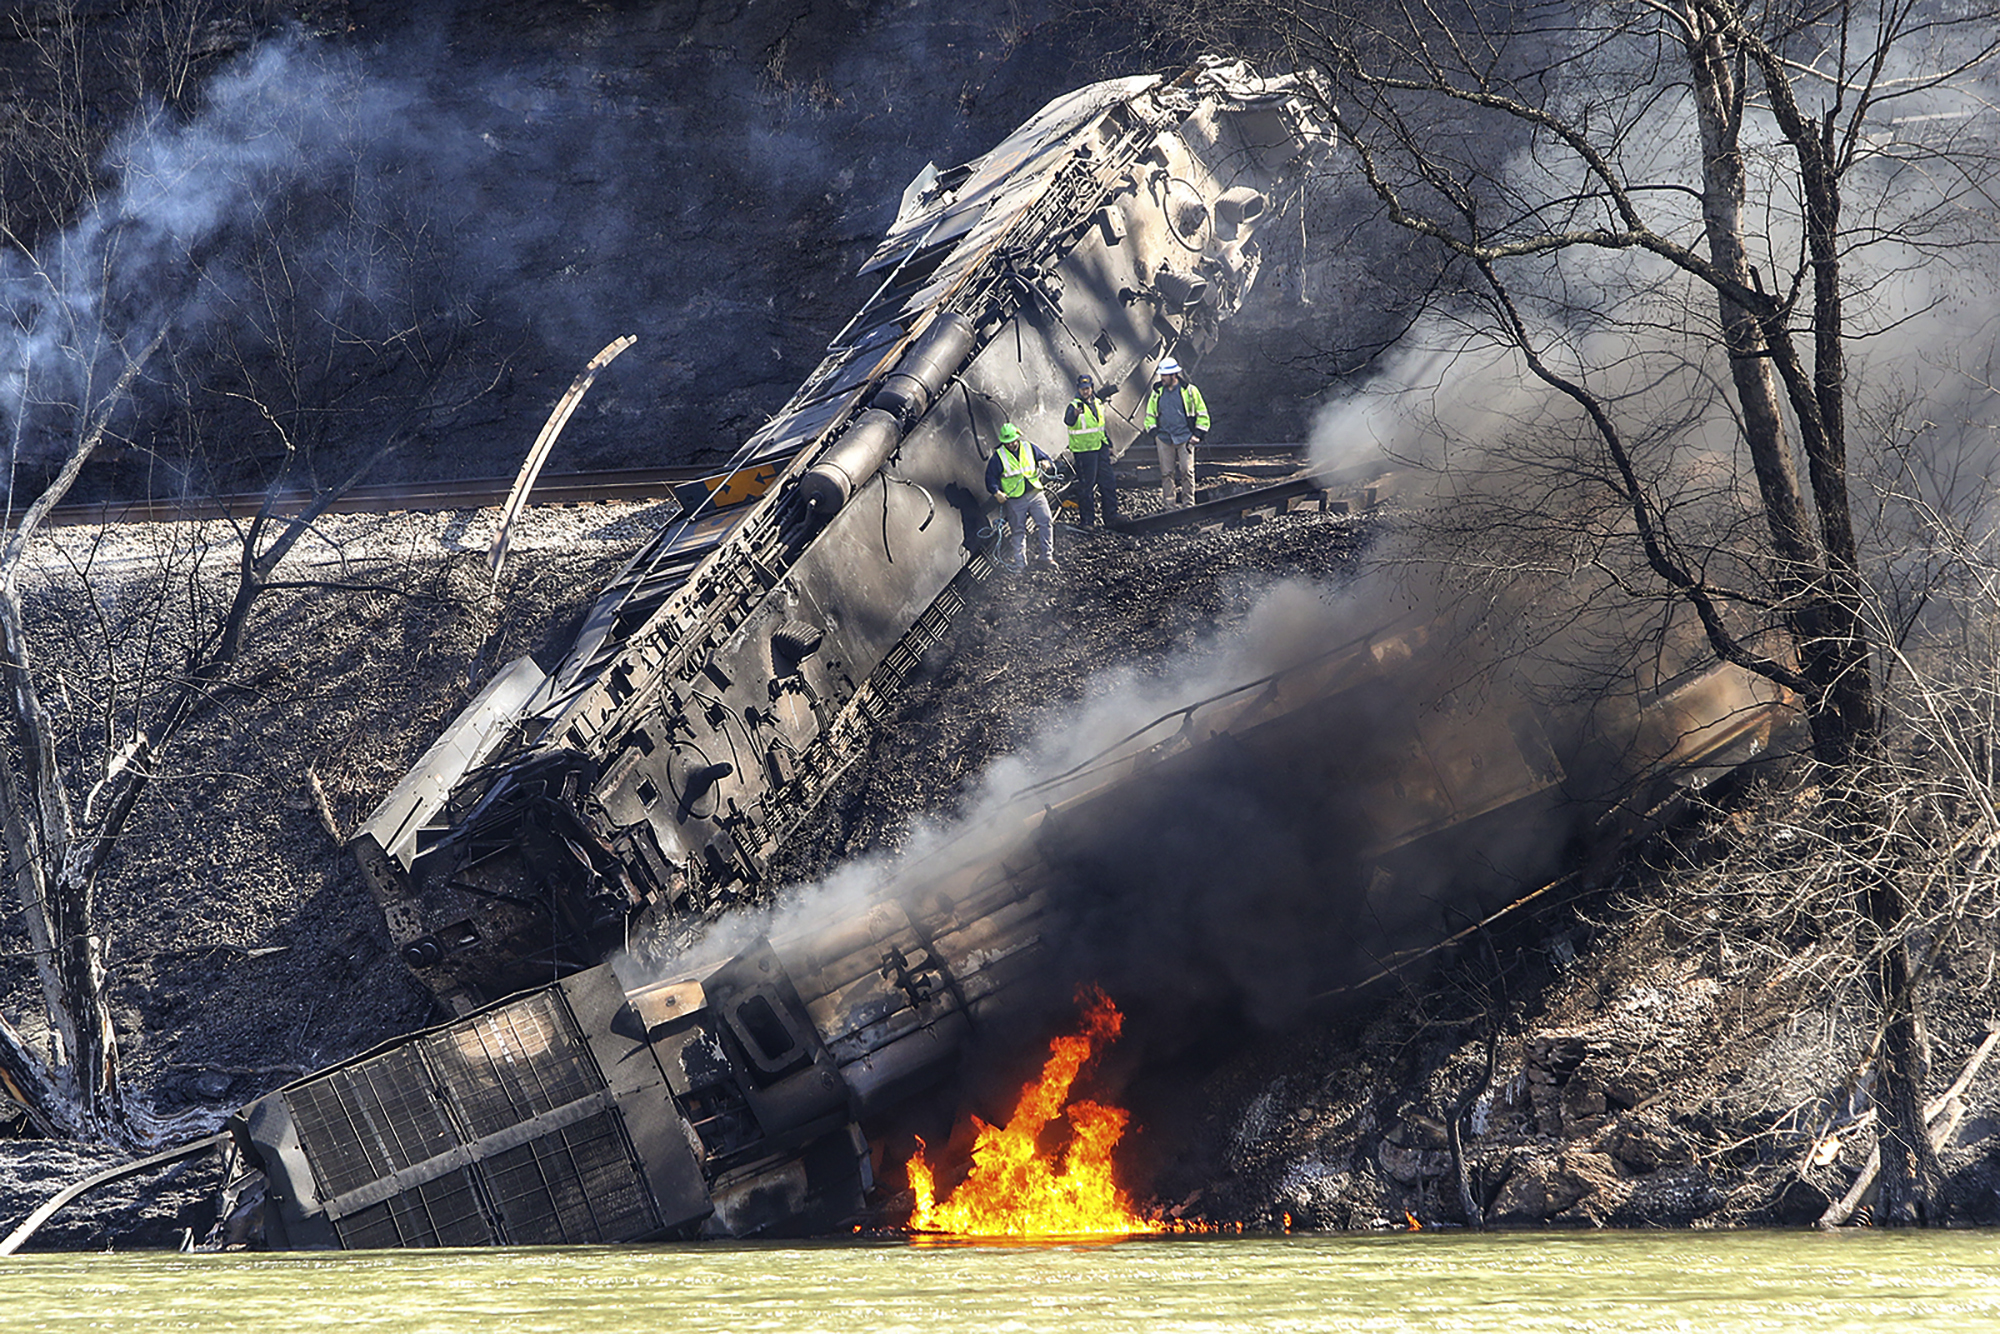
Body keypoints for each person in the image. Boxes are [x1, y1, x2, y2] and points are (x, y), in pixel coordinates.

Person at [984, 422, 1057, 571]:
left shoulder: (1028, 447)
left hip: (1035, 493)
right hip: (1015, 499)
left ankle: (1046, 557)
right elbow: (990, 478)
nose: (1010, 444)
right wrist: (996, 492)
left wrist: (1046, 464)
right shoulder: (999, 457)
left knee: (1046, 521)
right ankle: (1020, 565)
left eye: (1012, 441)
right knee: (1018, 531)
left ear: (1017, 438)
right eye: (1007, 442)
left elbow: (1046, 459)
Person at [1142, 356, 1210, 508]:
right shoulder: (1157, 392)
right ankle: (1169, 506)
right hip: (1165, 438)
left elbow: (1202, 414)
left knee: (1187, 471)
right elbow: (1150, 415)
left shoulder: (1190, 391)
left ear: (1174, 375)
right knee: (1167, 473)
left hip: (1186, 438)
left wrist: (1198, 434)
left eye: (1164, 375)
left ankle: (1188, 505)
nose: (1161, 378)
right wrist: (1154, 433)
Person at [1063, 371, 1119, 528]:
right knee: (1086, 486)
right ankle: (1087, 521)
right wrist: (1074, 414)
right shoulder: (1073, 406)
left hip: (1100, 448)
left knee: (1108, 482)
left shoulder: (1097, 404)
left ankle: (1111, 517)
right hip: (1084, 451)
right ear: (1078, 389)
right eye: (1082, 389)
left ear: (1092, 388)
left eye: (1087, 388)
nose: (1085, 391)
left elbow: (1099, 427)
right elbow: (1068, 420)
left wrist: (1108, 444)